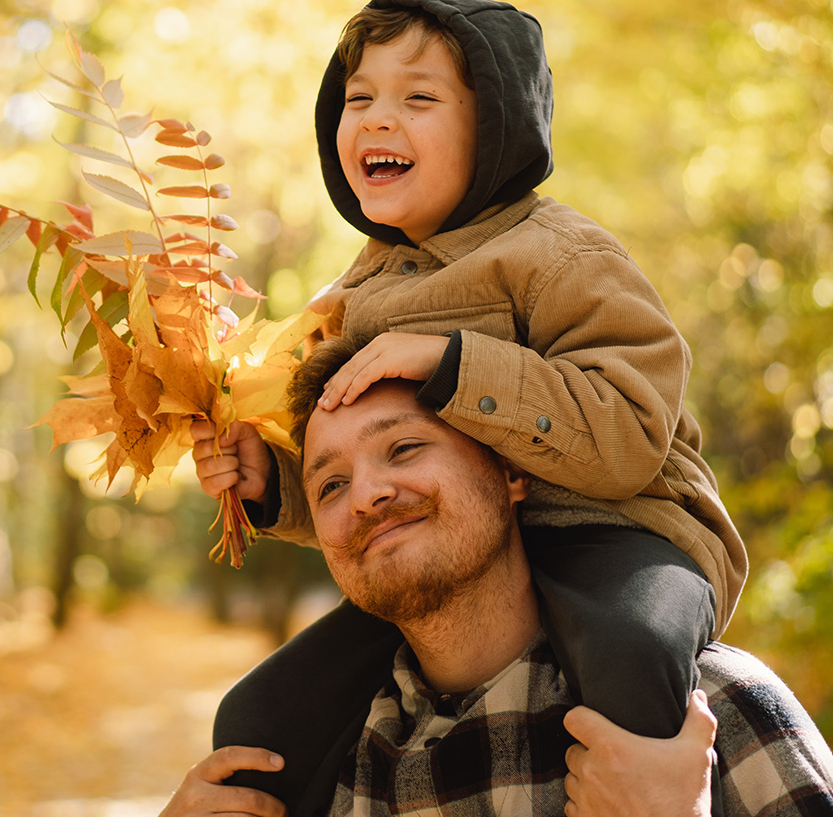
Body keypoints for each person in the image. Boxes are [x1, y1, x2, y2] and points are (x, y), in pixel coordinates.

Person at [191, 0, 748, 779]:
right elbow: (379, 483)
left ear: (496, 129)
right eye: (359, 99)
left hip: (618, 528)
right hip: (454, 561)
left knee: (632, 652)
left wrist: (451, 363)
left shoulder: (558, 255)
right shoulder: (349, 297)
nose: (379, 120)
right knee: (261, 720)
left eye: (419, 97)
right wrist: (272, 488)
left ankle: (647, 793)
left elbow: (628, 433)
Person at [168, 341, 833, 817]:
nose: (366, 495)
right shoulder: (312, 773)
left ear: (513, 473)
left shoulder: (701, 719)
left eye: (403, 448)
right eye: (331, 485)